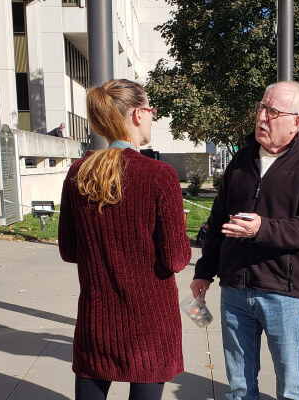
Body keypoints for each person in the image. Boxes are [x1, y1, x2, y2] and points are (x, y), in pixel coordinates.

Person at [190, 81, 299, 400]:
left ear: (296, 121)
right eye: (261, 107)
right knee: (240, 386)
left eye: (272, 111)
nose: (262, 117)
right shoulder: (240, 161)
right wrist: (204, 271)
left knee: (291, 385)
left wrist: (262, 229)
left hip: (283, 292)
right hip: (235, 290)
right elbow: (217, 223)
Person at [58, 79, 190, 400]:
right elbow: (176, 258)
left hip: (97, 315)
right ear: (136, 115)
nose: (152, 116)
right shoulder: (159, 176)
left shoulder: (79, 172)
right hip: (150, 321)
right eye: (150, 109)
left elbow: (69, 250)